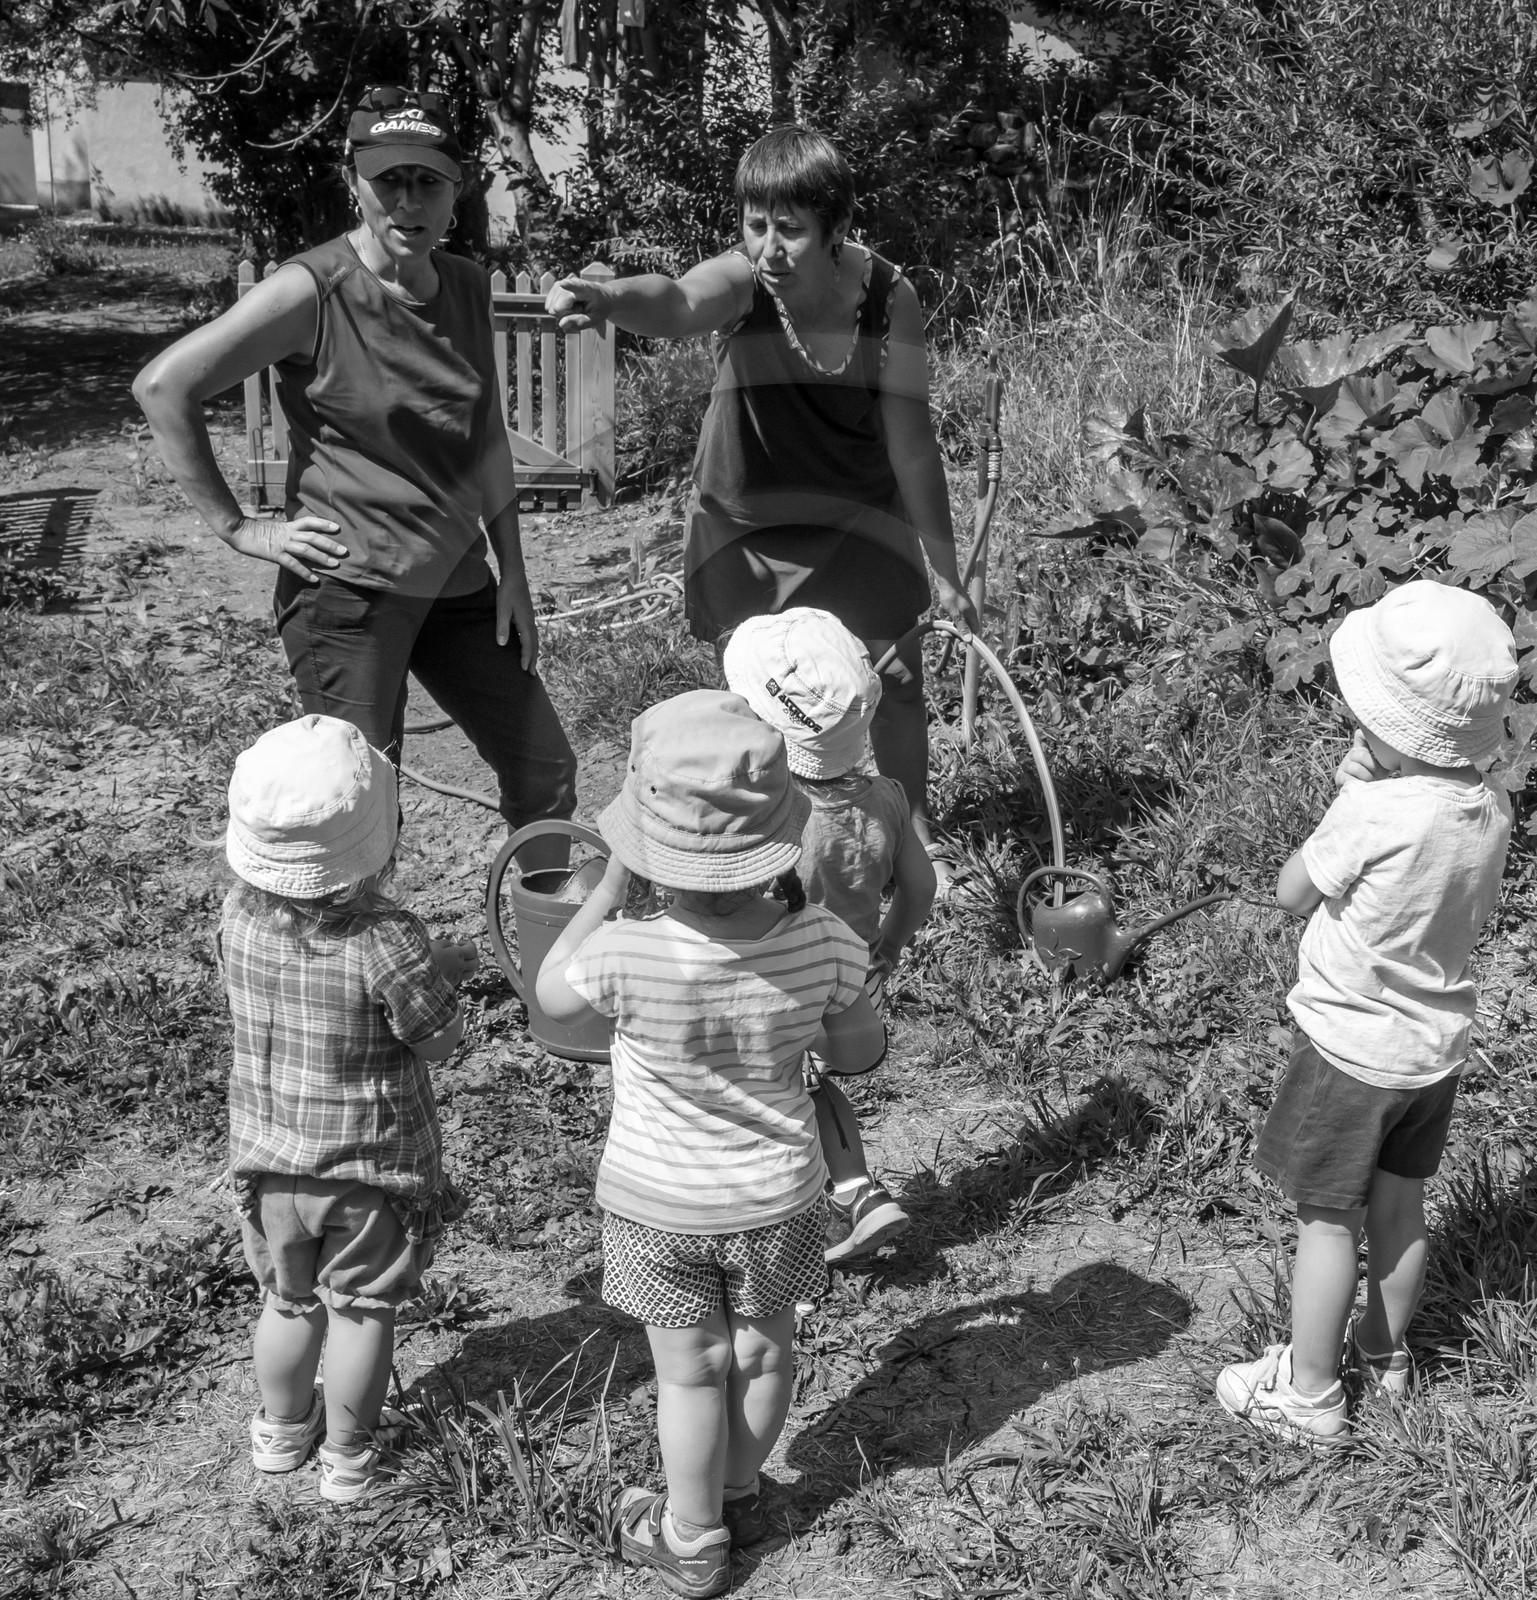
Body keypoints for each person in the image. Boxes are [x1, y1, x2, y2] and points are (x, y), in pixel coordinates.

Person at [134, 86, 576, 870]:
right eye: (389, 180)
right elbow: (165, 387)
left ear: (458, 188)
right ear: (354, 182)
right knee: (360, 809)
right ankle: (364, 985)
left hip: (458, 584)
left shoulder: (468, 287)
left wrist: (514, 571)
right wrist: (240, 528)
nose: (408, 201)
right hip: (347, 593)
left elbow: (483, 441)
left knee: (546, 770)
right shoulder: (314, 291)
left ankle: (545, 967)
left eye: (428, 181)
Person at [544, 124, 977, 876]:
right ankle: (765, 854)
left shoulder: (888, 299)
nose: (768, 247)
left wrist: (947, 569)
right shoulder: (746, 284)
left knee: (899, 681)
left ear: (838, 228)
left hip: (857, 518)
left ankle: (912, 833)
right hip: (749, 530)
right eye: (755, 224)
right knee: (763, 700)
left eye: (791, 229)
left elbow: (912, 443)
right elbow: (677, 301)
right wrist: (609, 298)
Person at [534, 691, 885, 1596]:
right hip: (779, 1196)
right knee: (766, 1352)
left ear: (651, 850)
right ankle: (738, 1489)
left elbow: (552, 998)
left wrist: (609, 889)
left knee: (690, 1375)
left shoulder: (623, 951)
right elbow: (860, 1051)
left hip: (659, 1207)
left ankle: (690, 1539)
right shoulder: (825, 941)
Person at [1216, 581, 1517, 1442]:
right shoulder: (1492, 809)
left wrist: (1350, 797)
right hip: (1433, 1050)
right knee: (1398, 1210)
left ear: (1392, 725)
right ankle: (1385, 1359)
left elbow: (1288, 893)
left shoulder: (1372, 808)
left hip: (1350, 1051)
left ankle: (1310, 1394)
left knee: (1325, 1223)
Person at [220, 715, 477, 1502]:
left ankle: (278, 1431)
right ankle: (349, 1458)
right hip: (364, 1172)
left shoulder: (237, 915)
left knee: (290, 1301)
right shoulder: (385, 936)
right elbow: (436, 1040)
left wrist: (418, 966)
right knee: (363, 1311)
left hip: (270, 1166)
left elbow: (316, 988)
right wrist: (440, 981)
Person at [724, 606, 937, 1266]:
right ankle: (857, 1189)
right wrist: (890, 947)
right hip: (844, 987)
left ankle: (789, 1244)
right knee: (815, 1087)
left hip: (768, 991)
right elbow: (921, 889)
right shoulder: (887, 799)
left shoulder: (768, 814)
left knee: (766, 1110)